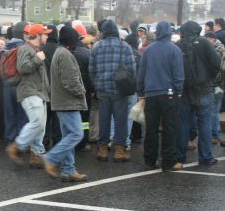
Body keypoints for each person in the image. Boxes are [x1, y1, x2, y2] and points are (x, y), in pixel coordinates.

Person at [137, 21, 185, 171]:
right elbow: (178, 74)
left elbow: (141, 73)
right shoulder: (174, 50)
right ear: (169, 32)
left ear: (157, 32)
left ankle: (150, 160)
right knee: (169, 128)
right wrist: (178, 90)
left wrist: (141, 93)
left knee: (151, 128)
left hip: (151, 94)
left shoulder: (148, 50)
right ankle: (169, 162)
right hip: (169, 94)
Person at [44, 26, 88, 182]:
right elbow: (71, 82)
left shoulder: (59, 52)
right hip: (68, 102)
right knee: (77, 134)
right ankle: (51, 158)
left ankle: (68, 170)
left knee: (68, 136)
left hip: (61, 102)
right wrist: (82, 92)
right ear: (71, 41)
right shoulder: (66, 55)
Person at [89, 20, 135, 162]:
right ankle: (119, 151)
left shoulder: (97, 47)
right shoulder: (125, 47)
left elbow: (91, 70)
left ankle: (103, 149)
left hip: (102, 90)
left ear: (103, 32)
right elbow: (132, 69)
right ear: (115, 31)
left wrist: (96, 85)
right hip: (120, 90)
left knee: (104, 119)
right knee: (120, 121)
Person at [7, 24, 52, 167]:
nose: (47, 36)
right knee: (37, 123)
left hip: (40, 93)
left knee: (40, 127)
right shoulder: (25, 49)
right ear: (38, 35)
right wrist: (38, 59)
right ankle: (16, 147)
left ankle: (37, 154)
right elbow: (23, 67)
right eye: (44, 34)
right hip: (29, 92)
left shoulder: (36, 50)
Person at [176, 21, 220, 166]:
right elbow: (215, 62)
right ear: (197, 30)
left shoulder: (178, 45)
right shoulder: (204, 42)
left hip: (184, 91)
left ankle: (180, 156)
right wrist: (210, 78)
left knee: (183, 124)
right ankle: (205, 157)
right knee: (204, 124)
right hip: (204, 90)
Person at [3, 22, 29, 145]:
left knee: (9, 114)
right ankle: (20, 142)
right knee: (22, 115)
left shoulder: (6, 47)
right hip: (21, 84)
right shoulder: (25, 48)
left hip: (7, 85)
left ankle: (10, 141)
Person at [42, 25, 61, 150]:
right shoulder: (60, 50)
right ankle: (57, 142)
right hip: (58, 89)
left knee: (44, 118)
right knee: (57, 119)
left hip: (43, 88)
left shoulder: (40, 49)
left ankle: (44, 141)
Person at [204, 32, 224, 144]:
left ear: (212, 39)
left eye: (207, 39)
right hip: (218, 85)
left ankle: (214, 135)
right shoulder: (219, 48)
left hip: (217, 85)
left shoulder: (218, 50)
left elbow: (216, 67)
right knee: (213, 110)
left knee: (213, 111)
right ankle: (214, 134)